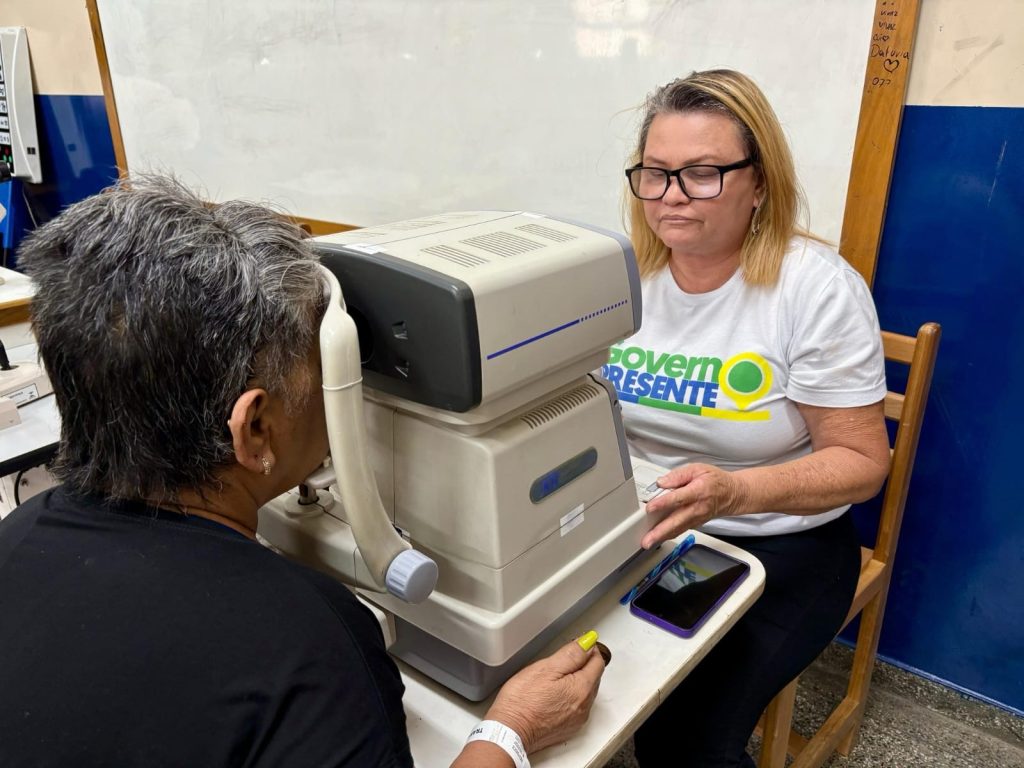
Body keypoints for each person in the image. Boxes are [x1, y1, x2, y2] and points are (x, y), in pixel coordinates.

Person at [0, 176, 605, 768]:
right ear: (255, 429)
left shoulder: (16, 534)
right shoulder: (308, 647)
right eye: (324, 366)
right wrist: (512, 732)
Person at [605, 70, 891, 767]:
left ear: (759, 183)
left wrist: (733, 492)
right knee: (520, 658)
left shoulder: (815, 288)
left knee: (682, 737)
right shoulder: (620, 277)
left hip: (772, 543)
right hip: (643, 528)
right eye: (655, 173)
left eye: (702, 174)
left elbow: (862, 465)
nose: (671, 196)